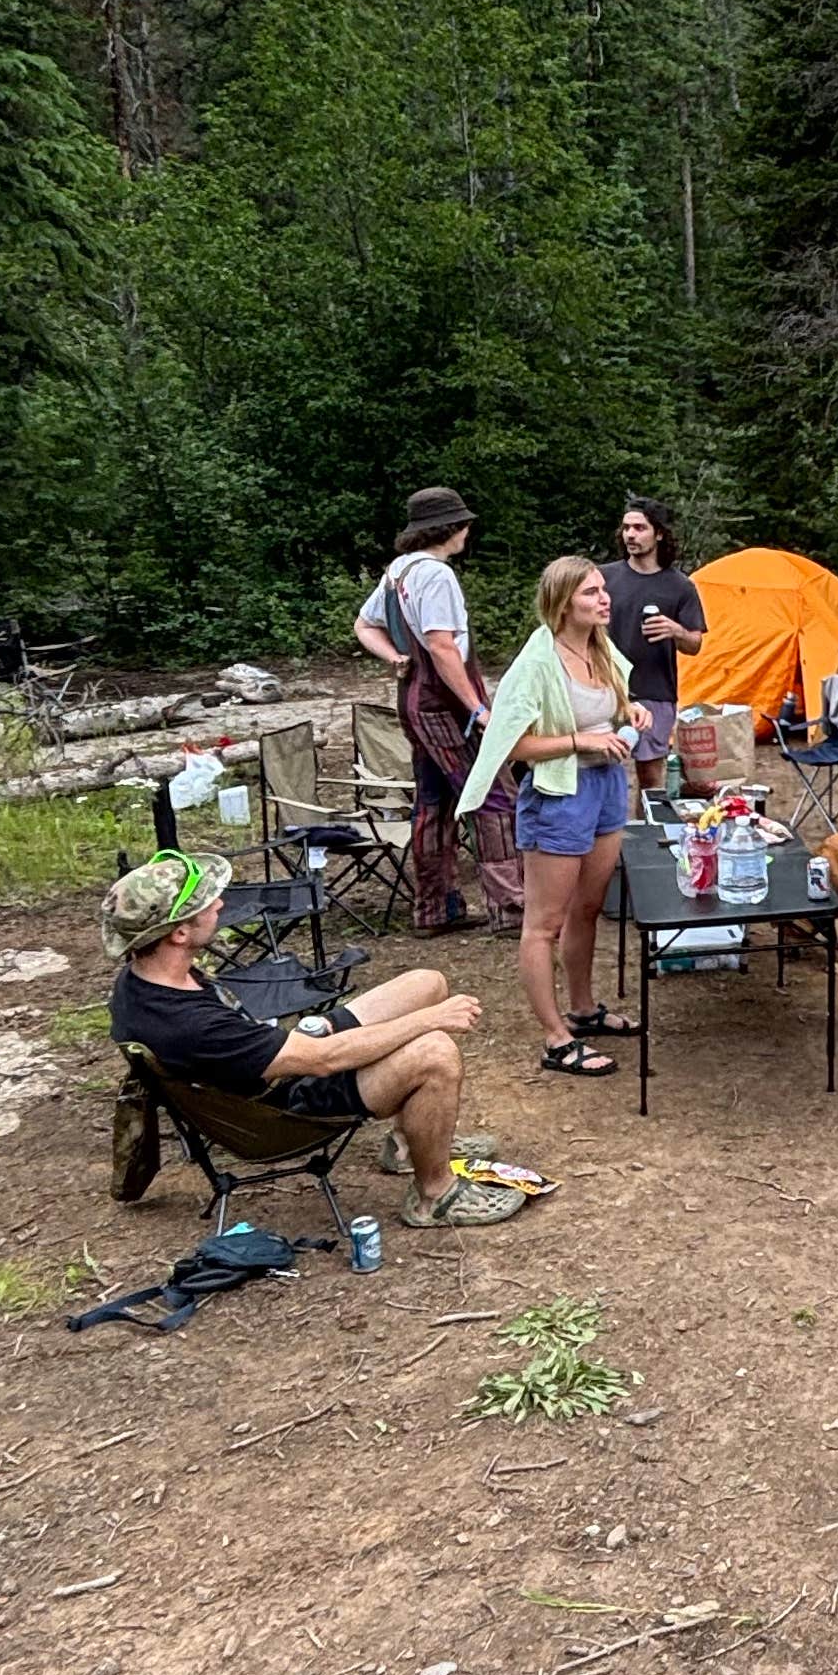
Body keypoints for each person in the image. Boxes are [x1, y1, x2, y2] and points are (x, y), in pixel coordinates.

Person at [103, 848, 524, 1230]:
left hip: (276, 1066)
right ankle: (434, 1194)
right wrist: (432, 1021)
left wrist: (313, 1027)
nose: (219, 903)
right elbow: (323, 1060)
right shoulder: (188, 1023)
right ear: (178, 933)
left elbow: (258, 1043)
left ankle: (408, 1143)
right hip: (286, 1109)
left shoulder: (145, 977)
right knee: (435, 1051)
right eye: (206, 903)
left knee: (425, 983)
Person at [459, 558, 651, 1077]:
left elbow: (607, 710)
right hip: (558, 795)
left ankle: (584, 1011)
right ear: (565, 601)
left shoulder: (600, 646)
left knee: (588, 909)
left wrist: (628, 714)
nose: (605, 599)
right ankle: (555, 1038)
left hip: (606, 787)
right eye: (591, 593)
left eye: (604, 590)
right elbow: (513, 746)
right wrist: (580, 740)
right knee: (543, 924)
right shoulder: (537, 662)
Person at [352, 487, 524, 938]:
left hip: (413, 698)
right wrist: (477, 708)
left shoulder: (398, 571)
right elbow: (443, 645)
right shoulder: (435, 574)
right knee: (494, 796)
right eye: (464, 523)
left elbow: (364, 625)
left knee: (434, 802)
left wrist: (393, 658)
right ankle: (512, 909)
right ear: (450, 527)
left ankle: (435, 910)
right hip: (443, 704)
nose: (468, 530)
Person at [604, 498, 706, 806]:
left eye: (639, 528)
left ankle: (641, 843)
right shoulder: (603, 578)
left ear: (658, 534)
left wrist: (676, 631)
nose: (630, 535)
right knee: (600, 772)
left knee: (650, 780)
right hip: (604, 688)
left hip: (656, 691)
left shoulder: (680, 587)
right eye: (626, 528)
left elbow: (695, 645)